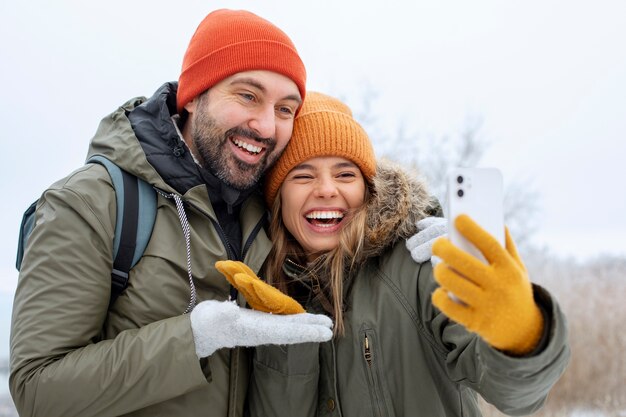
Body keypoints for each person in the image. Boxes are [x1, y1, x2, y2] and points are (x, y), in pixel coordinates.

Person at [9, 10, 334, 417]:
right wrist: (194, 338)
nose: (267, 127)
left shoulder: (270, 208)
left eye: (286, 109)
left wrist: (415, 223)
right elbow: (38, 389)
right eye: (248, 95)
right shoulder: (90, 203)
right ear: (194, 96)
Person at [217, 92, 570, 416]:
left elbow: (516, 396)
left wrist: (522, 334)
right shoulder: (258, 290)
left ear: (367, 189)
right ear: (278, 198)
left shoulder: (419, 264)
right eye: (302, 176)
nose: (326, 190)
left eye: (345, 173)